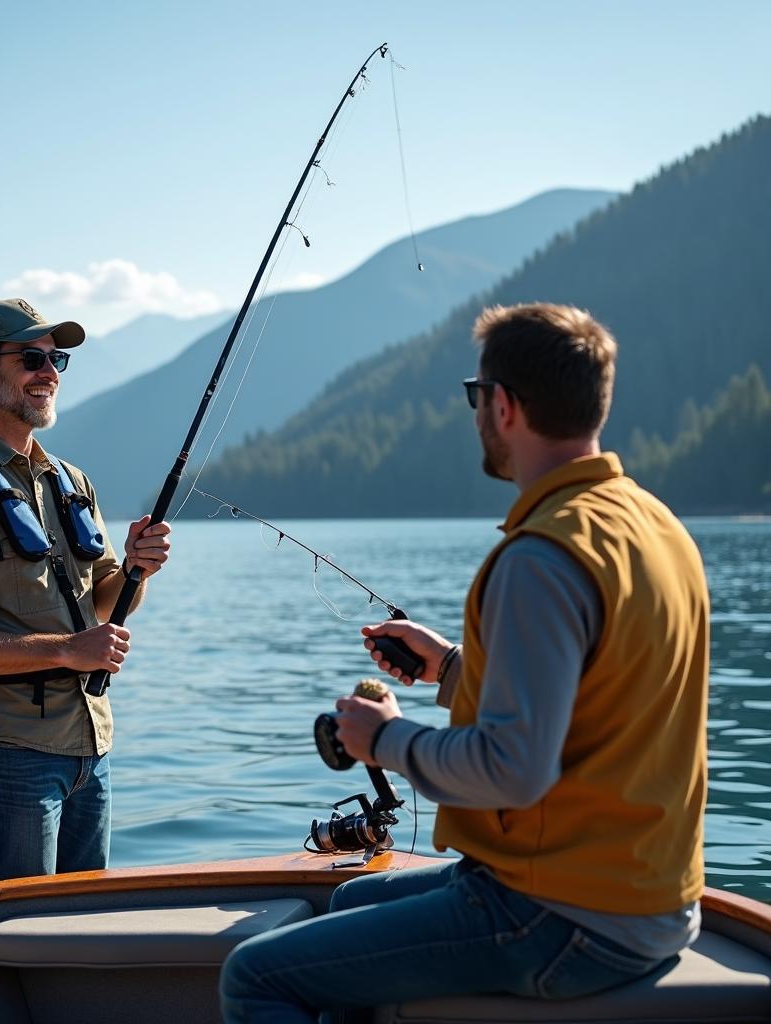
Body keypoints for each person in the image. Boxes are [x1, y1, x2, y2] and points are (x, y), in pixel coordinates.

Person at [220, 303, 709, 1022]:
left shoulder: (540, 558)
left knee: (254, 977)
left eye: (477, 396)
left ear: (503, 406)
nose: (477, 411)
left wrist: (382, 740)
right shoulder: (654, 526)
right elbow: (599, 699)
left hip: (566, 916)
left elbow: (514, 768)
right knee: (352, 897)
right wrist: (449, 668)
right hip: (650, 896)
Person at [0, 297, 171, 885]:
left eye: (56, 359)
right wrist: (68, 651)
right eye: (31, 359)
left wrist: (137, 570)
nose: (49, 373)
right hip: (8, 751)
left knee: (80, 931)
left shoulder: (70, 480)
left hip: (91, 746)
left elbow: (103, 602)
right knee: (21, 935)